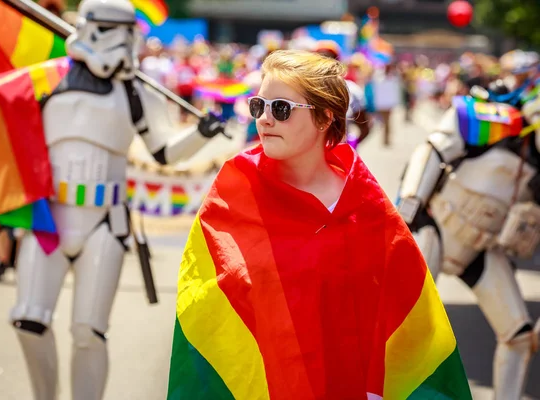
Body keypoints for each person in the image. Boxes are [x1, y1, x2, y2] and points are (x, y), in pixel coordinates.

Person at [167, 50, 471, 399]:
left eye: (280, 108)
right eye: (257, 106)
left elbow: (410, 320)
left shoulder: (367, 207)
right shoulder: (234, 192)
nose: (264, 120)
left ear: (325, 117)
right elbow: (204, 309)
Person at [0, 0, 227, 398]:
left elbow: (163, 153)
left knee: (89, 331)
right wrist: (4, 217)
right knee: (27, 320)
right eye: (107, 30)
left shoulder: (137, 93)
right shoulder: (47, 81)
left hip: (104, 222)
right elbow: (13, 144)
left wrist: (200, 134)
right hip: (49, 217)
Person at [396, 50, 540, 399]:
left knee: (518, 335)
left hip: (481, 248)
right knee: (404, 323)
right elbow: (432, 150)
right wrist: (407, 212)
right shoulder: (489, 118)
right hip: (433, 226)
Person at [314, 40, 371, 146]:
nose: (325, 63)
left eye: (329, 57)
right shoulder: (303, 90)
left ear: (337, 61)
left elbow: (364, 127)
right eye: (320, 58)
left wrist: (350, 147)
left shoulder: (352, 90)